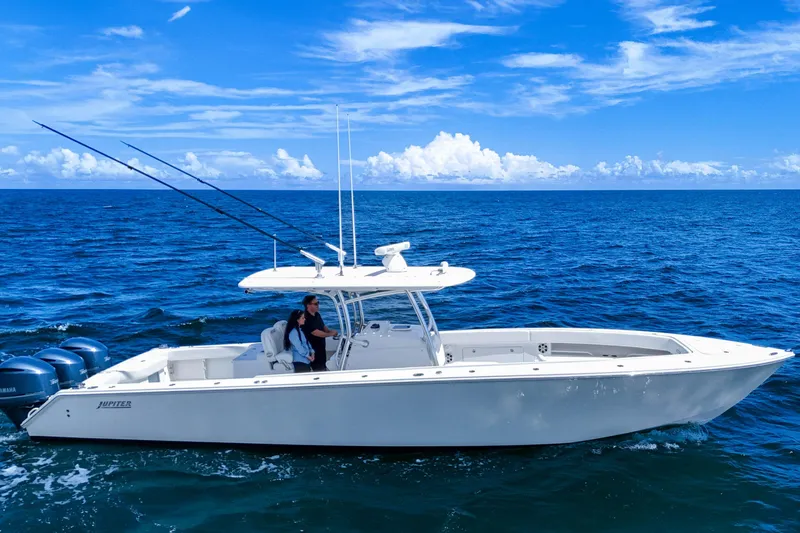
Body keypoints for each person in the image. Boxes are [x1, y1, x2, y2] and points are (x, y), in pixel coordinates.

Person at [301, 295, 338, 371]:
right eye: (315, 304)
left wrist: (330, 331)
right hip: (312, 348)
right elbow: (315, 332)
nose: (318, 305)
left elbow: (323, 326)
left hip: (320, 345)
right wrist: (330, 334)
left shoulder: (317, 315)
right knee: (317, 367)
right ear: (308, 305)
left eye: (318, 303)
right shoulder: (306, 318)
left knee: (322, 363)